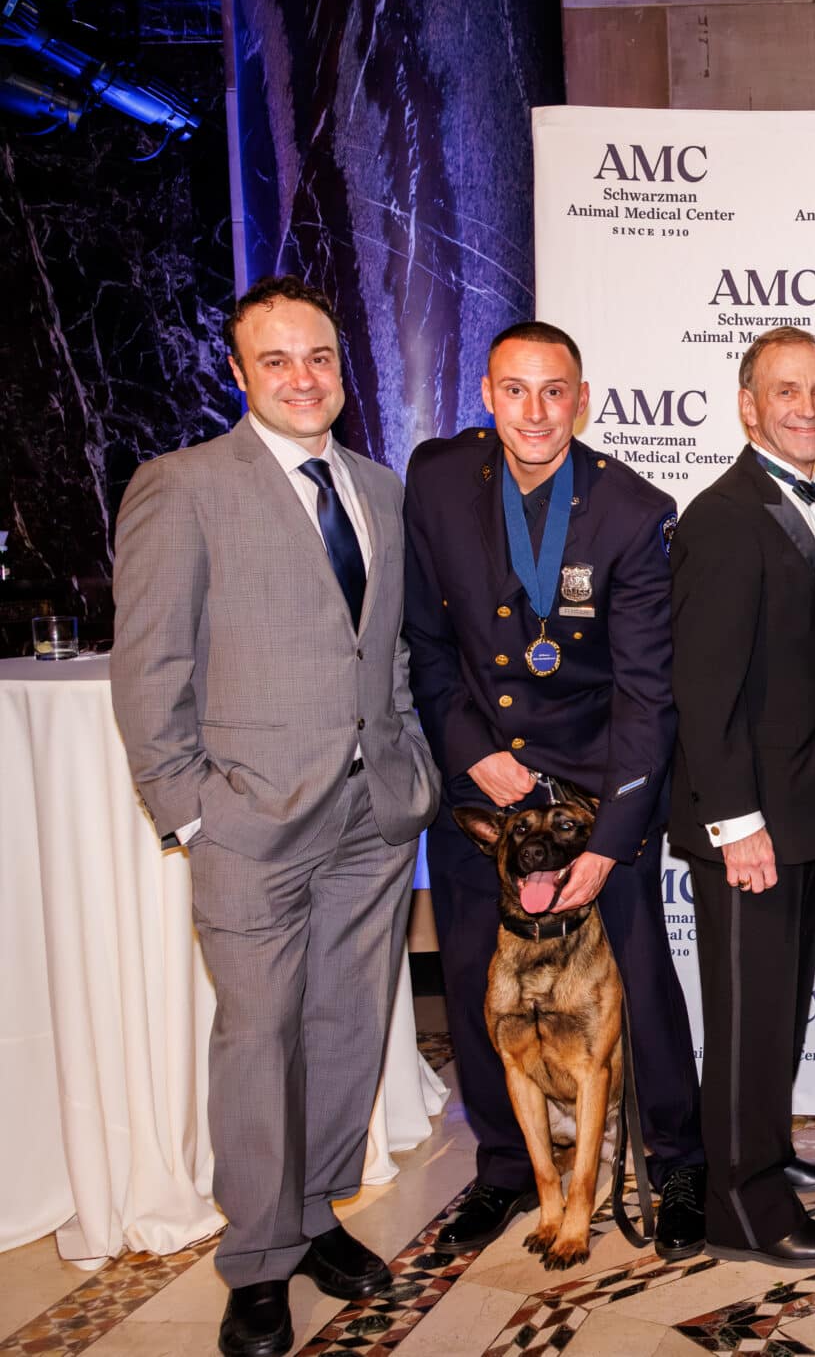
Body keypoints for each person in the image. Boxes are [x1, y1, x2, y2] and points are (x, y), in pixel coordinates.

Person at [110, 275, 440, 1357]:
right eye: (278, 361)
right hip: (248, 823)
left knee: (347, 1026)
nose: (304, 379)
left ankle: (312, 1220)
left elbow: (383, 650)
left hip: (371, 816)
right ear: (241, 374)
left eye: (320, 358)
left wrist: (411, 773)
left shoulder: (381, 491)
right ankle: (255, 1263)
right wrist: (190, 812)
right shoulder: (182, 486)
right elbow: (149, 667)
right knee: (258, 1037)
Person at [402, 321, 706, 1262]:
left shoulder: (635, 510)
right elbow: (428, 645)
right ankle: (502, 1170)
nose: (534, 412)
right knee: (471, 979)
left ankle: (679, 1158)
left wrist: (612, 836)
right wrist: (469, 751)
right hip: (484, 783)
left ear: (583, 397)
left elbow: (648, 693)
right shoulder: (438, 480)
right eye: (515, 391)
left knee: (642, 975)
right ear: (489, 396)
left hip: (592, 790)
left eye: (554, 392)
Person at [669, 327, 815, 1267]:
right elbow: (703, 691)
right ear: (747, 405)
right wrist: (736, 822)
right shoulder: (722, 516)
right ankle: (742, 1211)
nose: (806, 407)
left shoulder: (813, 500)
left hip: (799, 811)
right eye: (785, 391)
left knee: (779, 1011)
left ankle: (769, 1155)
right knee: (748, 1020)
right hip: (749, 820)